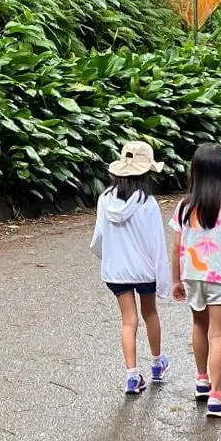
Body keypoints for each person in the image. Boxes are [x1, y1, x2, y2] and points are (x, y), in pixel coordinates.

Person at [169, 143, 221, 418]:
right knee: (218, 334)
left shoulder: (184, 207)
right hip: (220, 277)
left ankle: (202, 379)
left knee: (198, 325)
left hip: (192, 274)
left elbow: (177, 246)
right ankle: (216, 397)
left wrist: (175, 280)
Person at [90, 141, 171, 395]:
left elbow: (98, 238)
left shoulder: (104, 200)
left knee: (129, 321)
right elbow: (156, 243)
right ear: (146, 172)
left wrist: (109, 259)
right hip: (144, 269)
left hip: (117, 270)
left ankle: (132, 377)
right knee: (150, 314)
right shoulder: (148, 203)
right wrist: (163, 279)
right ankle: (157, 364)